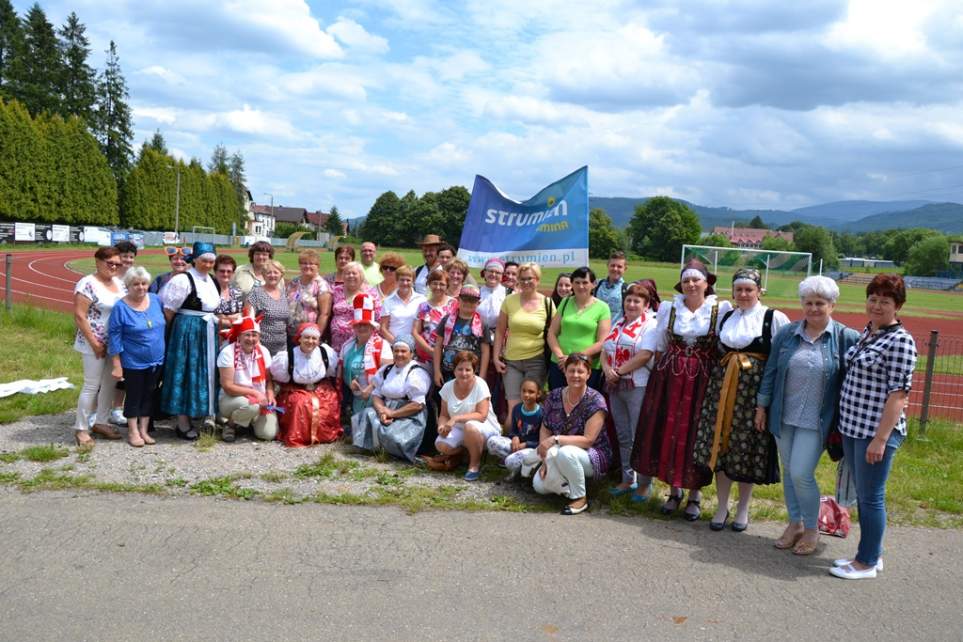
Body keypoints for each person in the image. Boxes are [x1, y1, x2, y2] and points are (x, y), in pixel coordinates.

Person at [755, 276, 858, 555]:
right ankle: (795, 523)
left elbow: (859, 377)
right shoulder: (788, 334)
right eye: (809, 302)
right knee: (790, 472)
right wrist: (761, 406)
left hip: (817, 420)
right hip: (783, 415)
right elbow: (772, 372)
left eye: (820, 303)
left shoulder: (845, 337)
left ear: (832, 305)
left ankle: (812, 528)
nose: (813, 308)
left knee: (801, 472)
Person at [631, 260, 732, 520]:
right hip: (670, 376)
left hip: (703, 379)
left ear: (706, 283)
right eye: (686, 280)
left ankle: (695, 495)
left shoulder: (720, 310)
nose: (690, 284)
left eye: (695, 280)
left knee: (698, 433)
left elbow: (725, 345)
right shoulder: (669, 308)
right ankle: (674, 492)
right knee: (671, 430)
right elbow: (661, 343)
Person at [831, 275, 917, 580]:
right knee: (864, 494)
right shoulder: (869, 332)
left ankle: (866, 562)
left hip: (875, 432)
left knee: (871, 497)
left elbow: (898, 395)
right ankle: (870, 553)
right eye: (873, 298)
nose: (877, 305)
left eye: (885, 301)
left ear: (898, 306)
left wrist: (881, 439)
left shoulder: (900, 341)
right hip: (854, 428)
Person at [692, 269, 790, 532]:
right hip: (722, 391)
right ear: (733, 293)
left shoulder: (773, 318)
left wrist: (765, 403)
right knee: (721, 446)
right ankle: (722, 506)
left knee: (745, 449)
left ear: (759, 290)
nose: (744, 294)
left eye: (749, 289)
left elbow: (782, 361)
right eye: (739, 290)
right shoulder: (727, 317)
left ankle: (743, 508)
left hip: (752, 396)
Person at [601, 280, 660, 499]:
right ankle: (628, 479)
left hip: (637, 386)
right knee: (624, 435)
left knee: (639, 435)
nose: (632, 304)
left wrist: (618, 372)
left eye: (637, 301)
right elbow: (605, 349)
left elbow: (645, 354)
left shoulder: (650, 325)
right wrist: (607, 369)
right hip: (616, 386)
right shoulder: (619, 323)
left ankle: (645, 483)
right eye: (629, 300)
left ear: (646, 305)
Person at [534, 354, 612, 515]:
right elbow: (545, 428)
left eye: (580, 371)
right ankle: (567, 486)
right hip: (559, 451)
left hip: (592, 454)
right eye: (571, 371)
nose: (575, 375)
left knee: (566, 452)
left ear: (589, 374)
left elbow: (588, 440)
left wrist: (555, 440)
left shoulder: (596, 400)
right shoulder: (554, 396)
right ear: (565, 372)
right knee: (539, 486)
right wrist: (545, 459)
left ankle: (580, 498)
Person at [159, 241, 221, 440]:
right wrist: (173, 335)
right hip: (187, 331)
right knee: (185, 372)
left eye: (211, 261)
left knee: (204, 371)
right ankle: (182, 422)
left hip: (207, 330)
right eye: (204, 260)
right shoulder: (183, 280)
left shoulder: (212, 280)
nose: (208, 264)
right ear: (194, 259)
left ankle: (200, 412)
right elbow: (168, 311)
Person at [72, 246, 126, 449]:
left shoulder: (120, 284)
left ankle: (101, 422)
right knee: (91, 385)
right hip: (93, 342)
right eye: (109, 262)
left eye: (117, 264)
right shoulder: (87, 283)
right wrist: (94, 343)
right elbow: (79, 315)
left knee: (110, 383)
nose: (113, 266)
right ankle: (81, 428)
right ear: (97, 262)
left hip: (114, 343)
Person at [107, 266, 166, 448]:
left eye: (144, 283)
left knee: (149, 395)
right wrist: (117, 364)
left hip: (157, 359)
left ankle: (144, 430)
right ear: (128, 286)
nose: (140, 287)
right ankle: (132, 431)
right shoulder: (121, 307)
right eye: (136, 284)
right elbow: (114, 337)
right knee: (134, 396)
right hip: (133, 362)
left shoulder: (156, 300)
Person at [351, 335, 431, 463]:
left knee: (393, 435)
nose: (399, 354)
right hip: (386, 409)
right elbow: (377, 394)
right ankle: (375, 449)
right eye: (396, 350)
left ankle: (393, 452)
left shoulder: (417, 373)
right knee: (365, 415)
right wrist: (382, 411)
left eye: (403, 351)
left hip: (409, 414)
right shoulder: (386, 370)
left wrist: (393, 413)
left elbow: (418, 405)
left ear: (411, 353)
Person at [493, 263, 555, 423]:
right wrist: (496, 357)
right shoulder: (509, 301)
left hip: (536, 361)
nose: (526, 282)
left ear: (538, 280)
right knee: (513, 408)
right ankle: (510, 442)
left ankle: (530, 442)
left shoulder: (547, 303)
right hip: (511, 361)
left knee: (530, 406)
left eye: (530, 279)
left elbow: (554, 333)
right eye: (522, 279)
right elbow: (500, 331)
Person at [430, 351, 502, 480]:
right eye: (460, 369)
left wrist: (456, 418)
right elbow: (443, 415)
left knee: (470, 426)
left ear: (474, 371)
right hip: (459, 428)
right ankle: (464, 453)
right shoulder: (447, 387)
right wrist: (442, 426)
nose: (464, 373)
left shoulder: (480, 385)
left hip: (484, 427)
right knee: (441, 444)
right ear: (454, 370)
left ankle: (474, 465)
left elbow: (482, 415)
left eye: (468, 370)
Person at [270, 322, 342, 446]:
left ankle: (323, 435)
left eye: (314, 338)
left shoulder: (325, 353)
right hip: (295, 388)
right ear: (299, 339)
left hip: (319, 386)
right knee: (301, 403)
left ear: (318, 340)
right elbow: (280, 378)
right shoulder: (288, 356)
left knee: (329, 400)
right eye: (306, 337)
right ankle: (300, 436)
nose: (310, 341)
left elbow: (329, 372)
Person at [546, 266, 611, 391]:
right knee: (558, 402)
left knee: (583, 406)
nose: (581, 286)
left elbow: (602, 341)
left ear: (593, 284)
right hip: (559, 364)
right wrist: (561, 357)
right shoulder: (565, 302)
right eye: (577, 282)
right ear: (572, 284)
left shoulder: (602, 308)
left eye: (585, 282)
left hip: (585, 366)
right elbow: (552, 333)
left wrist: (574, 358)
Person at [216, 314, 277, 442]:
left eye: (254, 335)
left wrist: (270, 394)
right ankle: (230, 424)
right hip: (232, 398)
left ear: (259, 337)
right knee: (252, 406)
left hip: (259, 399)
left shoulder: (263, 351)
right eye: (247, 335)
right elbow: (228, 387)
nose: (251, 339)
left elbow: (269, 381)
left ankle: (246, 421)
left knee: (268, 434)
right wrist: (255, 393)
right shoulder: (228, 352)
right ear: (239, 336)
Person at [340, 293, 393, 416]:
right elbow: (343, 371)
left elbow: (388, 371)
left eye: (365, 325)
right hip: (356, 397)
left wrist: (371, 388)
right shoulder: (347, 346)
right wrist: (350, 381)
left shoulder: (382, 345)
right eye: (358, 324)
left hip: (379, 397)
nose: (361, 328)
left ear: (372, 327)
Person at [432, 285, 490, 386]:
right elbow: (438, 346)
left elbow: (485, 351)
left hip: (471, 372)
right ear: (458, 300)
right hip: (448, 369)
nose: (468, 303)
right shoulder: (447, 320)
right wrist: (437, 371)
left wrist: (482, 376)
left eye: (472, 300)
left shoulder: (482, 323)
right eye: (465, 299)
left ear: (478, 303)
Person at [486, 378, 543, 479]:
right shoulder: (517, 409)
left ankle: (523, 471)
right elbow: (513, 430)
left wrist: (526, 444)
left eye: (531, 392)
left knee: (510, 461)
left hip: (532, 449)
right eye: (524, 391)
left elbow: (542, 441)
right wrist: (515, 437)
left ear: (538, 394)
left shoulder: (542, 413)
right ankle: (515, 463)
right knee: (492, 442)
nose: (526, 394)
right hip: (516, 446)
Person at [329, 261, 380, 353]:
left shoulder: (370, 292)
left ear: (361, 275)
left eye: (354, 273)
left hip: (361, 339)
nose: (351, 276)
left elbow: (377, 316)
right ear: (343, 276)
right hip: (337, 340)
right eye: (347, 273)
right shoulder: (336, 290)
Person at [244, 260, 290, 357]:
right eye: (268, 272)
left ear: (281, 275)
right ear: (263, 275)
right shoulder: (256, 293)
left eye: (276, 272)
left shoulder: (284, 294)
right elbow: (249, 321)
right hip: (261, 346)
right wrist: (256, 343)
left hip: (282, 347)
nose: (272, 275)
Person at [412, 270, 456, 365]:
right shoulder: (423, 306)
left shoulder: (454, 304)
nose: (438, 287)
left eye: (442, 284)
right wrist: (430, 351)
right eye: (434, 283)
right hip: (427, 355)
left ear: (447, 286)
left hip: (450, 355)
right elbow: (415, 332)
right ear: (429, 284)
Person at [286, 249, 331, 338]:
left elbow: (324, 314)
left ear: (318, 266)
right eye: (304, 263)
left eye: (311, 263)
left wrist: (316, 336)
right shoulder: (294, 282)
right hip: (290, 333)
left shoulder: (321, 285)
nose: (307, 266)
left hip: (309, 336)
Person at [380, 265, 426, 344]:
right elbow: (383, 329)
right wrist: (398, 344)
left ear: (413, 281)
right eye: (402, 280)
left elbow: (423, 327)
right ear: (397, 281)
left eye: (408, 280)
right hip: (394, 346)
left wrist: (410, 345)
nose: (405, 283)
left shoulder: (422, 300)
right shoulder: (388, 301)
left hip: (415, 346)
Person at [594, 250, 628, 322]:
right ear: (607, 266)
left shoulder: (627, 289)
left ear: (625, 269)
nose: (615, 269)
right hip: (596, 330)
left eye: (619, 267)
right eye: (613, 265)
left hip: (615, 331)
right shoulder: (597, 285)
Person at [213, 254, 244, 332]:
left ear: (233, 273)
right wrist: (232, 318)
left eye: (229, 271)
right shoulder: (209, 291)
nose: (225, 274)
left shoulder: (237, 292)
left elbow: (242, 315)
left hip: (233, 336)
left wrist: (223, 317)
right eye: (222, 271)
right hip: (213, 334)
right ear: (215, 272)